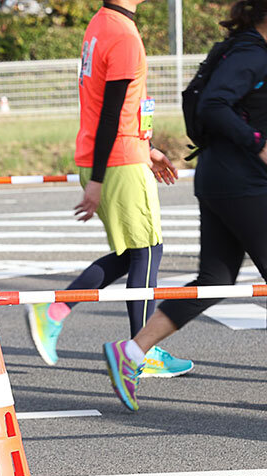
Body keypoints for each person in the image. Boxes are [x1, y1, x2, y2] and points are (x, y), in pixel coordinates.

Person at [103, 0, 267, 411]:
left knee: (215, 278)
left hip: (219, 176)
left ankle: (133, 353)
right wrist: (258, 143)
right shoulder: (252, 53)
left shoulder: (236, 47)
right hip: (242, 180)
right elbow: (213, 105)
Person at [26, 0, 194, 379]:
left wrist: (144, 147)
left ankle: (54, 311)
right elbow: (111, 113)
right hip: (116, 160)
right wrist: (100, 179)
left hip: (117, 153)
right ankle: (139, 350)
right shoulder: (122, 34)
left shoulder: (101, 24)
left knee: (133, 253)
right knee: (149, 251)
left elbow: (116, 106)